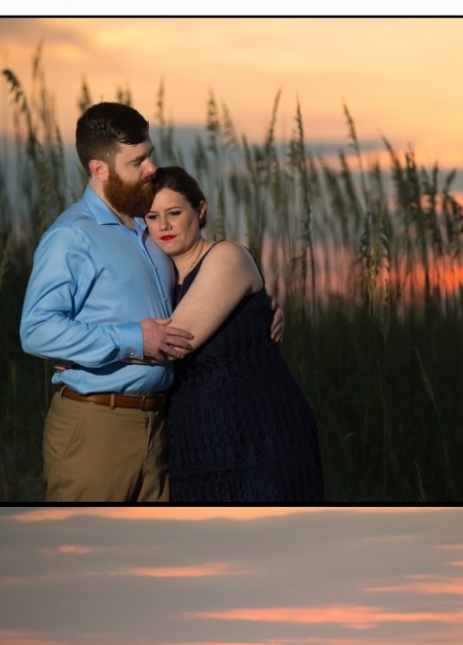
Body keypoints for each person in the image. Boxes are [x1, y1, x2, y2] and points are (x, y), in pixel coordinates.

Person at [19, 102, 284, 502]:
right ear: (99, 169)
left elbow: (204, 277)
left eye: (150, 154)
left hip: (163, 428)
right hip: (96, 427)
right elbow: (36, 330)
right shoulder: (72, 237)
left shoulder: (148, 224)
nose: (150, 168)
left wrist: (259, 308)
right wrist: (130, 340)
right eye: (137, 160)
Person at [144, 167, 324, 502]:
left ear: (200, 211)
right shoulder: (159, 278)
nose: (163, 226)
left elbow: (173, 342)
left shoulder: (226, 256)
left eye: (174, 213)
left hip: (259, 431)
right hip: (195, 440)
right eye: (152, 216)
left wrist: (84, 354)